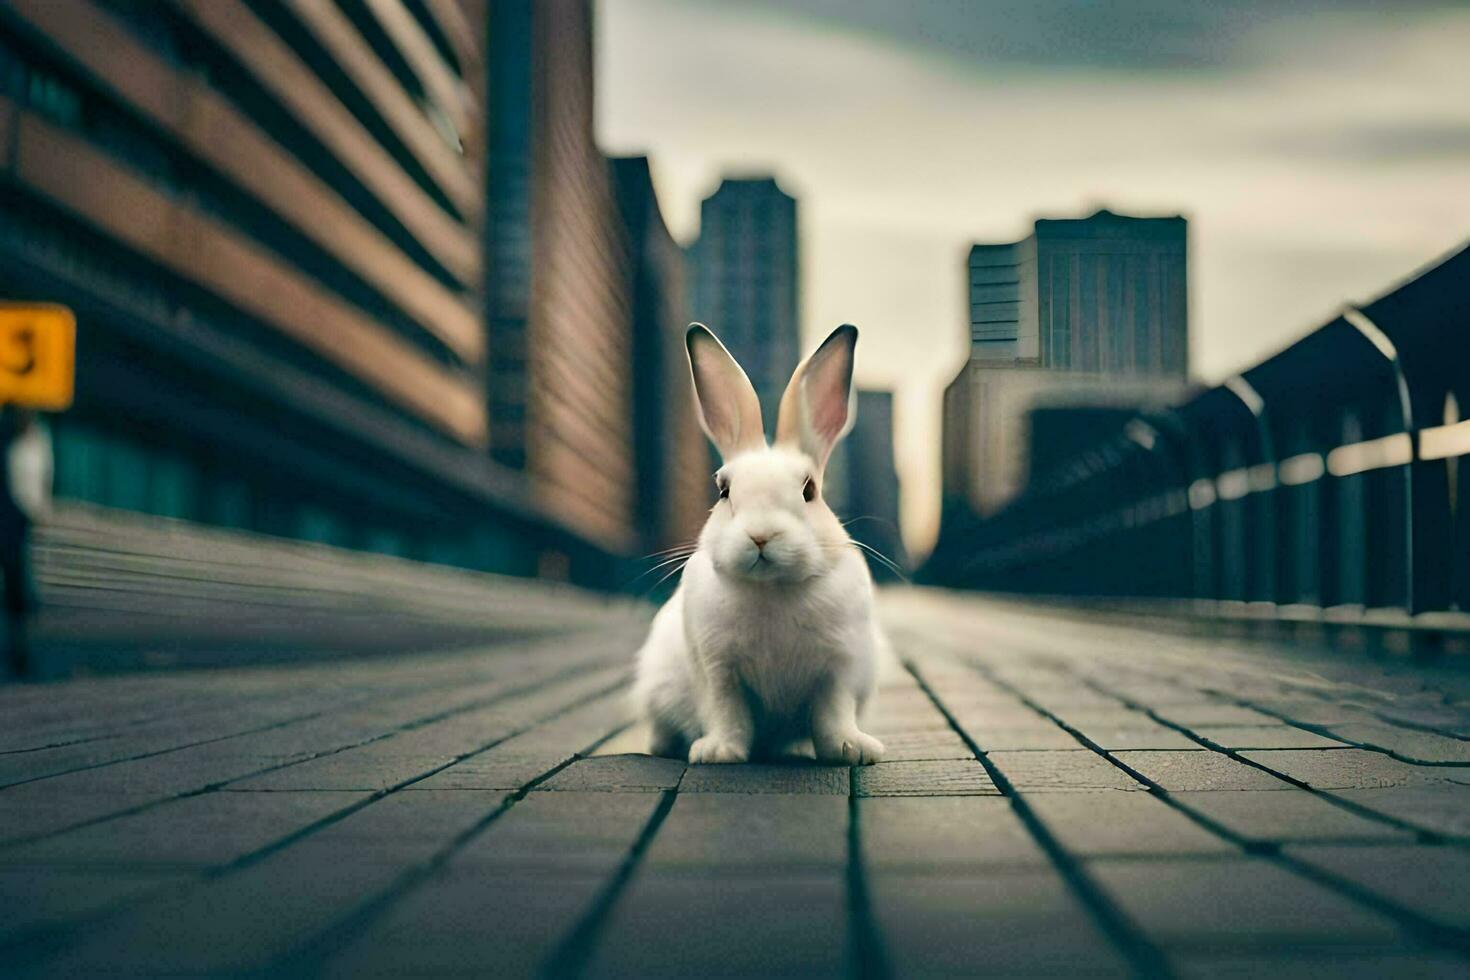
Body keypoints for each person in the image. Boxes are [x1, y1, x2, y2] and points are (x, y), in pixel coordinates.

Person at [0, 408, 51, 676]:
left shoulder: (39, 439)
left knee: (17, 584)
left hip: (20, 517)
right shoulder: (8, 437)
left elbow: (42, 476)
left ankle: (19, 650)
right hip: (10, 513)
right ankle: (18, 650)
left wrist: (39, 510)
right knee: (16, 584)